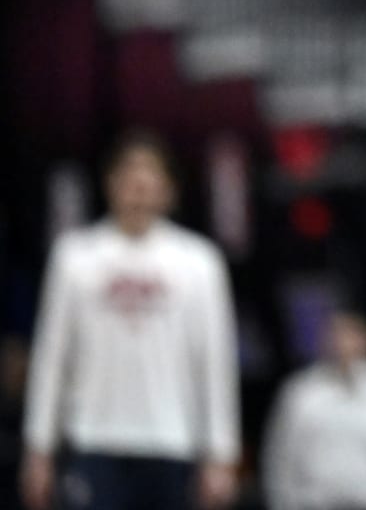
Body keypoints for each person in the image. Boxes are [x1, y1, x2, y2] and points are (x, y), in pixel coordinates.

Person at [21, 132, 239, 510]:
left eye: (149, 175)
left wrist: (221, 452)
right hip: (94, 438)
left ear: (168, 189)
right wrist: (38, 446)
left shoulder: (199, 262)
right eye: (129, 174)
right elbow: (52, 355)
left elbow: (215, 361)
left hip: (172, 441)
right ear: (110, 184)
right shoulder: (75, 257)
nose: (138, 186)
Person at [262, 310, 366, 510]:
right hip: (314, 504)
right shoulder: (300, 394)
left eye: (351, 336)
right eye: (336, 336)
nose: (343, 344)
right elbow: (281, 458)